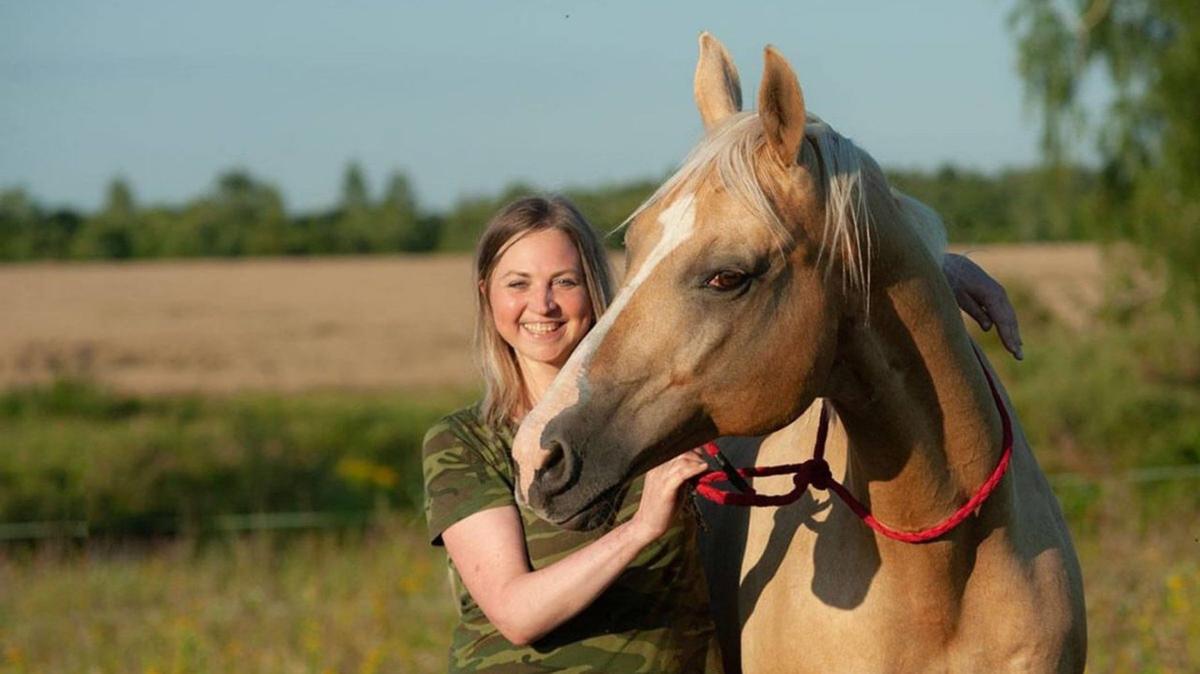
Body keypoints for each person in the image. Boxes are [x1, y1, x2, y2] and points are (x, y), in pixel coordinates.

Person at [422, 195, 1023, 673]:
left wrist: (925, 271)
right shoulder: (465, 443)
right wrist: (641, 529)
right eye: (518, 283)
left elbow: (772, 295)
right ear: (487, 295)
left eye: (565, 281)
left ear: (600, 291)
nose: (543, 305)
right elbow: (517, 612)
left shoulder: (666, 424)